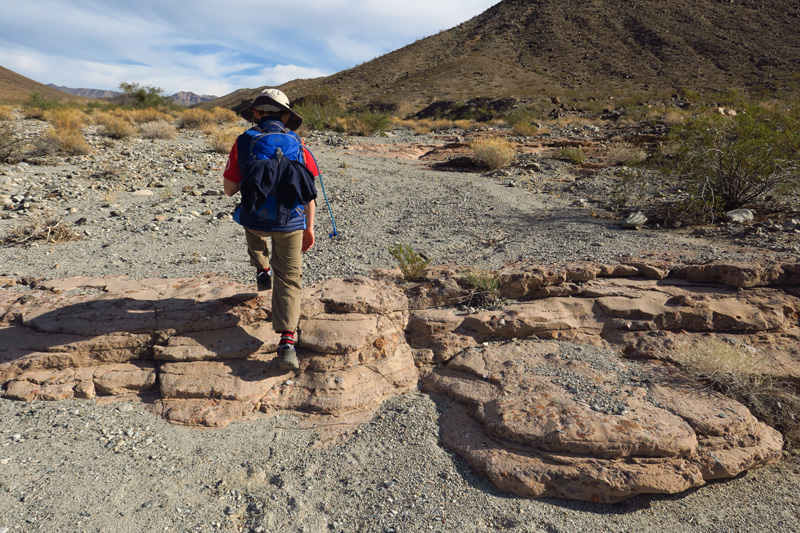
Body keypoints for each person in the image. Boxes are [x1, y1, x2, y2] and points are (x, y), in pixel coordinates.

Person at [222, 88, 319, 372]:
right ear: (286, 116)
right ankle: (287, 342)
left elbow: (229, 191)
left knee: (248, 224)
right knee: (289, 278)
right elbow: (309, 192)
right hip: (291, 221)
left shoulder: (244, 141)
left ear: (255, 114)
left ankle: (262, 268)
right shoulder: (298, 144)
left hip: (255, 219)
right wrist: (309, 227)